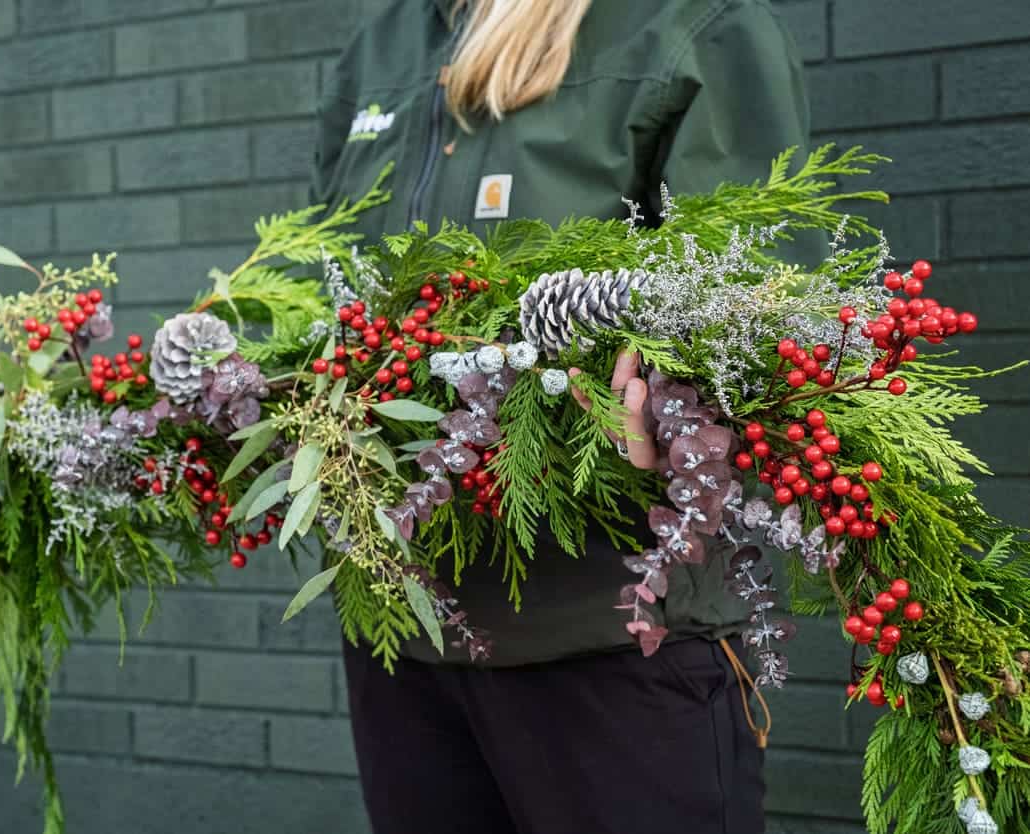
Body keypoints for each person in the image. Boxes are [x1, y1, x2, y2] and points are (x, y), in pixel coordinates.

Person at [307, 2, 816, 832]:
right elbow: (317, 288)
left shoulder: (692, 22)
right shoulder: (384, 41)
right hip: (403, 644)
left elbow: (762, 302)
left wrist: (673, 381)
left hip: (615, 642)